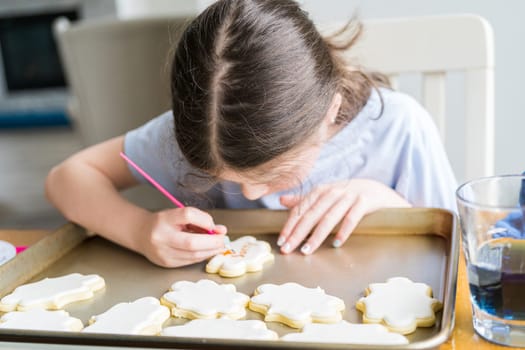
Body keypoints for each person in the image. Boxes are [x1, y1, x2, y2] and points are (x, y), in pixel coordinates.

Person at [45, 0, 457, 268]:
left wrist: (388, 204)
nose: (252, 195)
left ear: (329, 109)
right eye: (228, 181)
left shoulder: (399, 129)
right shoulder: (203, 130)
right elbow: (67, 178)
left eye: (277, 173)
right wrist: (138, 230)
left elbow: (460, 256)